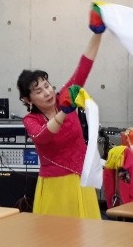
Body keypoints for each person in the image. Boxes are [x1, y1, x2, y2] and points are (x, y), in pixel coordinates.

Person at [16, 16, 104, 219]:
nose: (47, 92)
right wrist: (64, 111)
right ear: (28, 100)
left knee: (87, 232)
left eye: (46, 85)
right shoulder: (31, 120)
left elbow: (83, 68)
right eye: (38, 91)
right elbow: (43, 135)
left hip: (81, 181)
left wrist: (97, 33)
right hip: (55, 188)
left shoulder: (64, 96)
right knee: (55, 236)